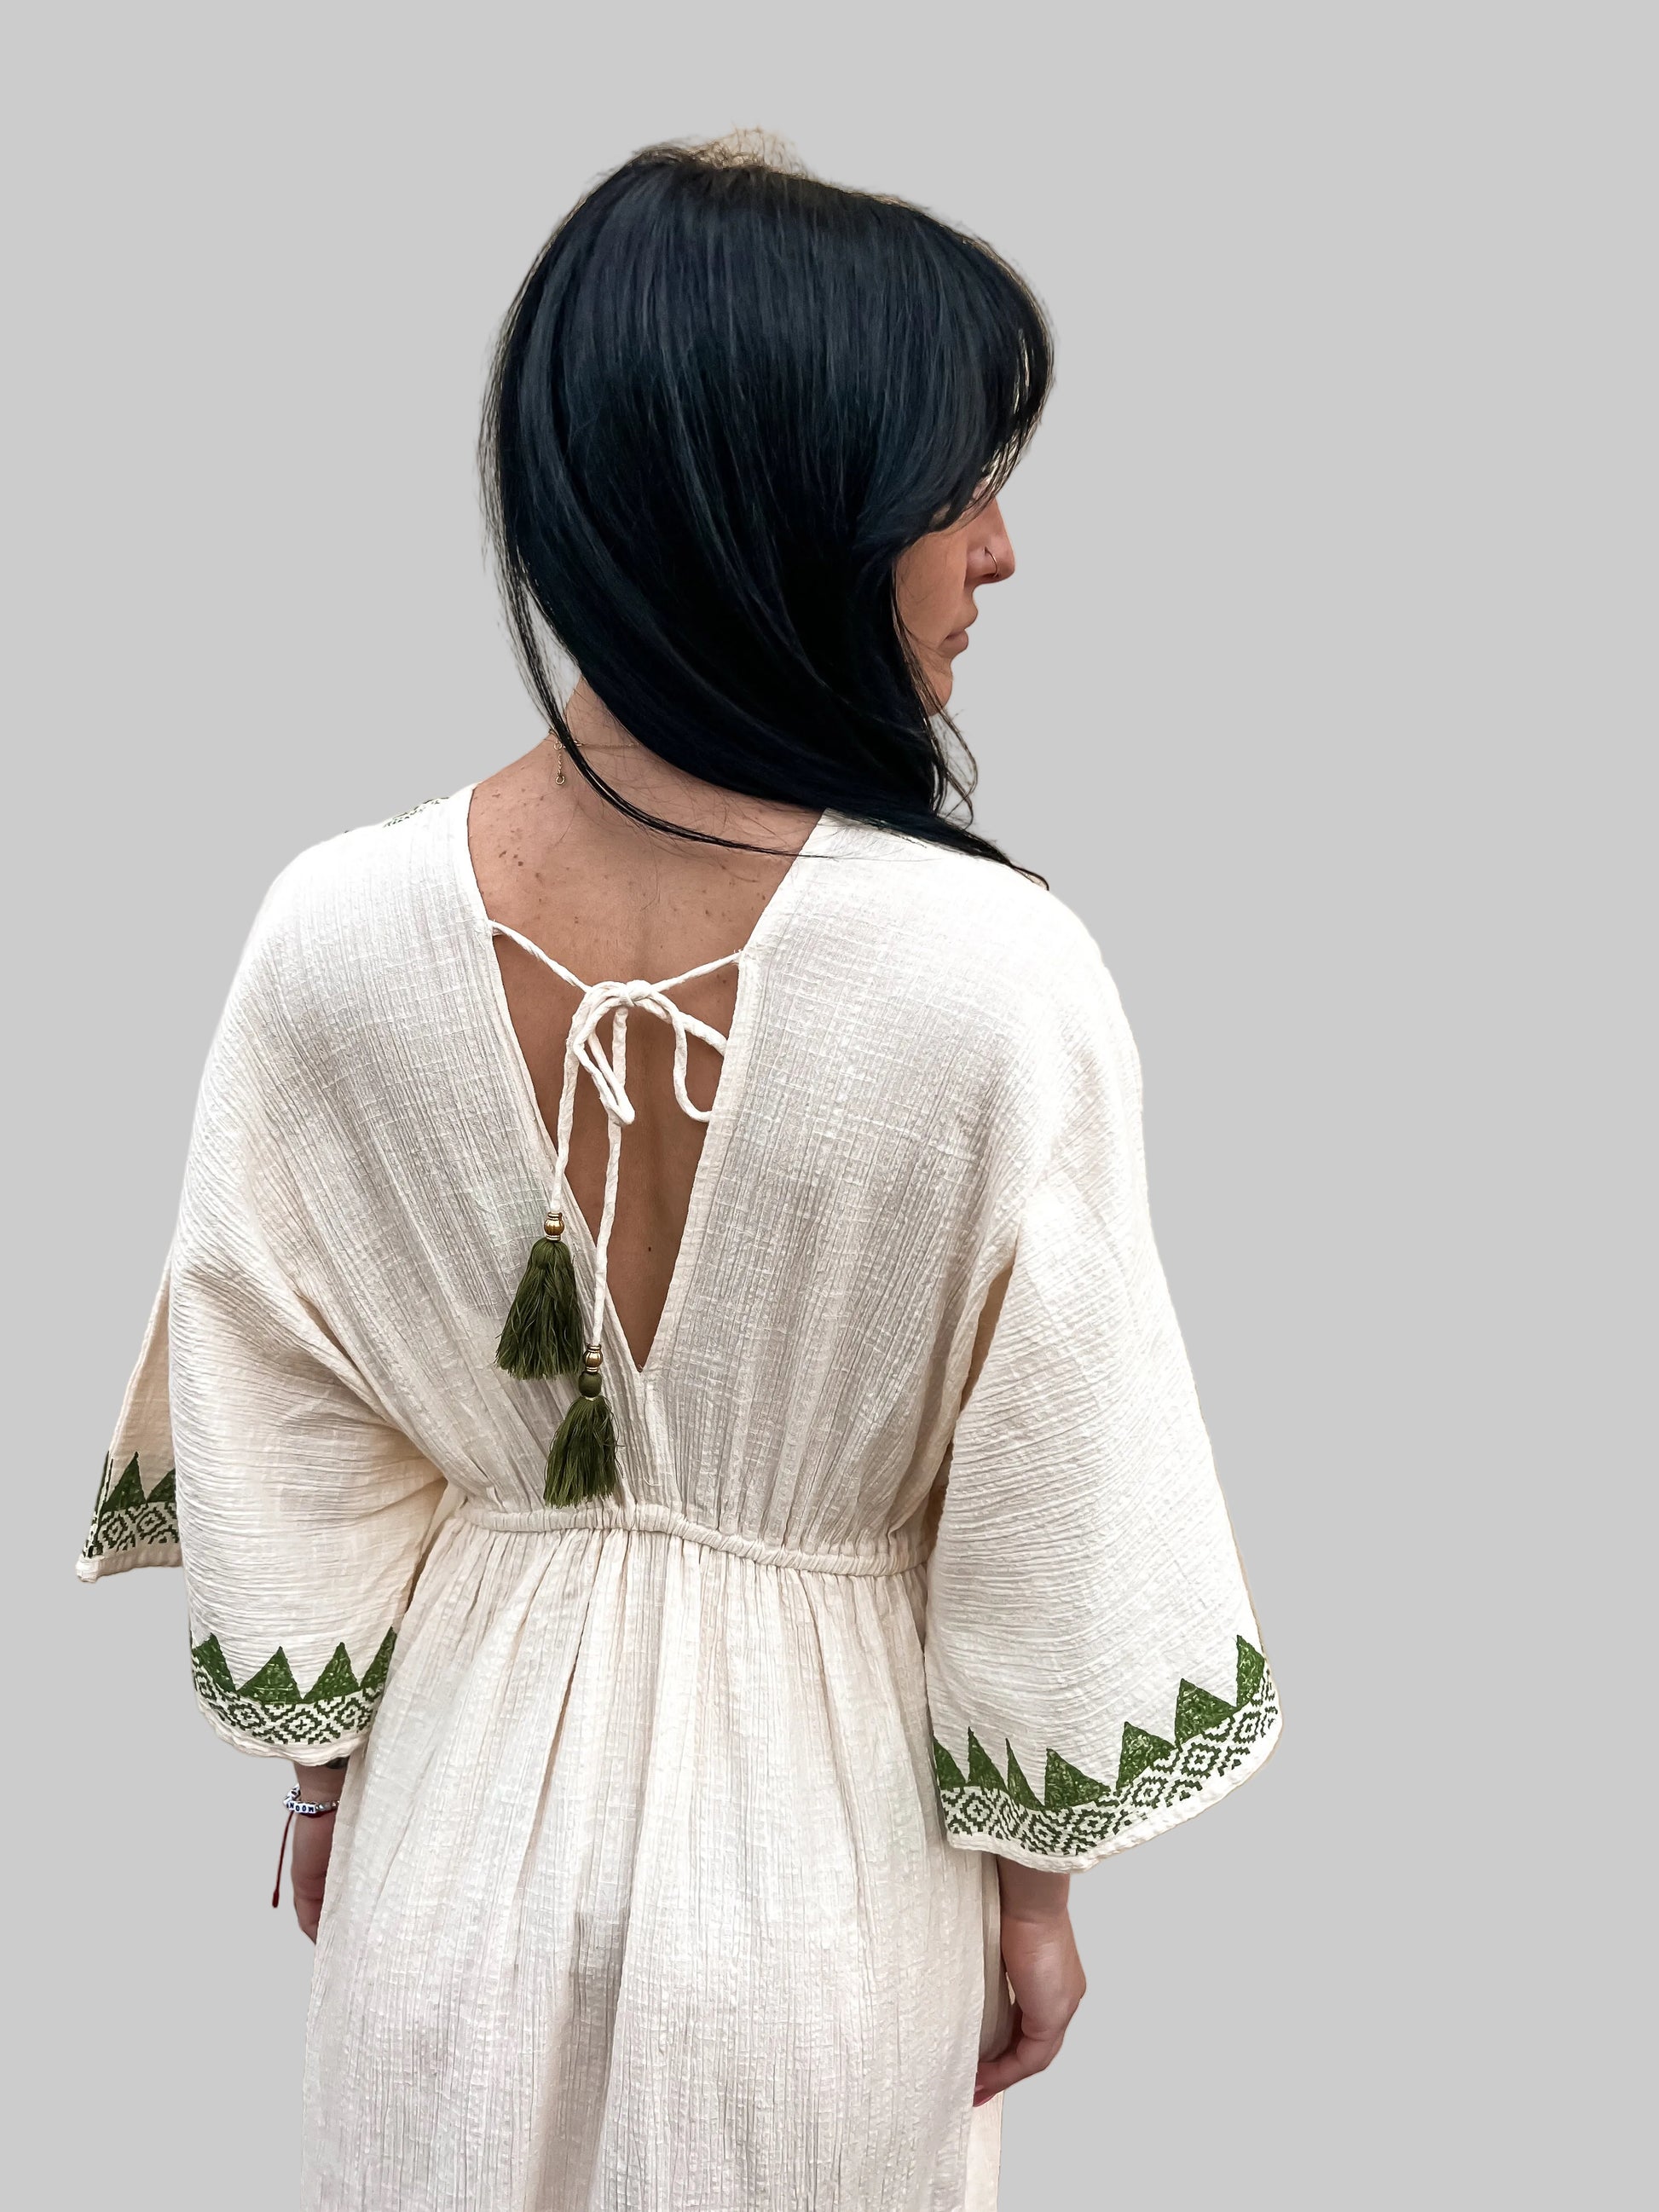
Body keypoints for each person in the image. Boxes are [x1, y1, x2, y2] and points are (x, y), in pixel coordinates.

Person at [79, 134, 1279, 2212]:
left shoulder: (332, 933)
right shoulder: (991, 976)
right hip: (825, 1878)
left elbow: (279, 1401)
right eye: (955, 486)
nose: (998, 551)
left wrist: (324, 1777)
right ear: (791, 504)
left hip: (447, 1847)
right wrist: (1035, 1886)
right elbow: (1058, 1469)